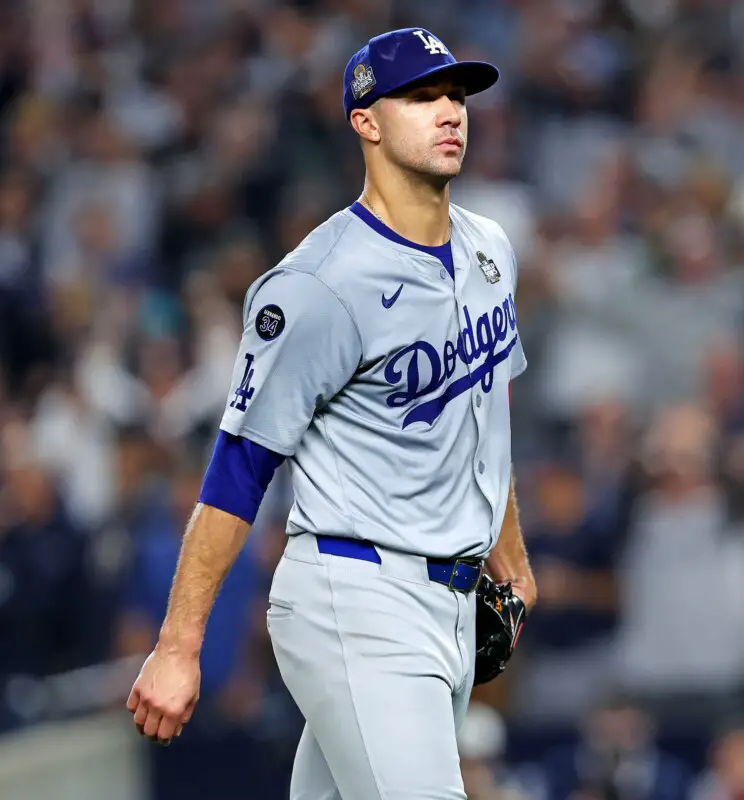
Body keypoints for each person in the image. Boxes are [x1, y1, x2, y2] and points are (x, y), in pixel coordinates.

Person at [125, 27, 537, 800]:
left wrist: (507, 553)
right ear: (366, 122)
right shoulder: (317, 284)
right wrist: (179, 647)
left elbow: (488, 410)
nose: (450, 111)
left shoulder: (490, 248)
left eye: (457, 94)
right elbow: (238, 469)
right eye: (422, 96)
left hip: (445, 603)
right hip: (358, 596)